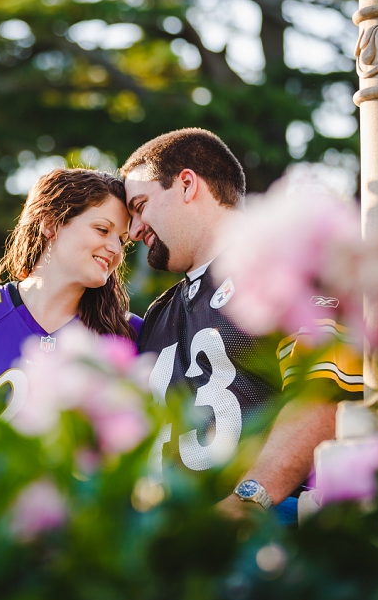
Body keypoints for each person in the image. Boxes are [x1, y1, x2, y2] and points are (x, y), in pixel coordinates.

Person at [120, 128, 363, 522]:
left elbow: (324, 393)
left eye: (140, 205)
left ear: (186, 184)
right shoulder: (158, 316)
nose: (133, 231)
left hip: (264, 536)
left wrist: (246, 502)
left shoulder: (287, 267)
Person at [0, 167, 143, 441]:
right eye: (102, 229)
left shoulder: (128, 335)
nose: (116, 250)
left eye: (122, 240)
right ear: (50, 223)